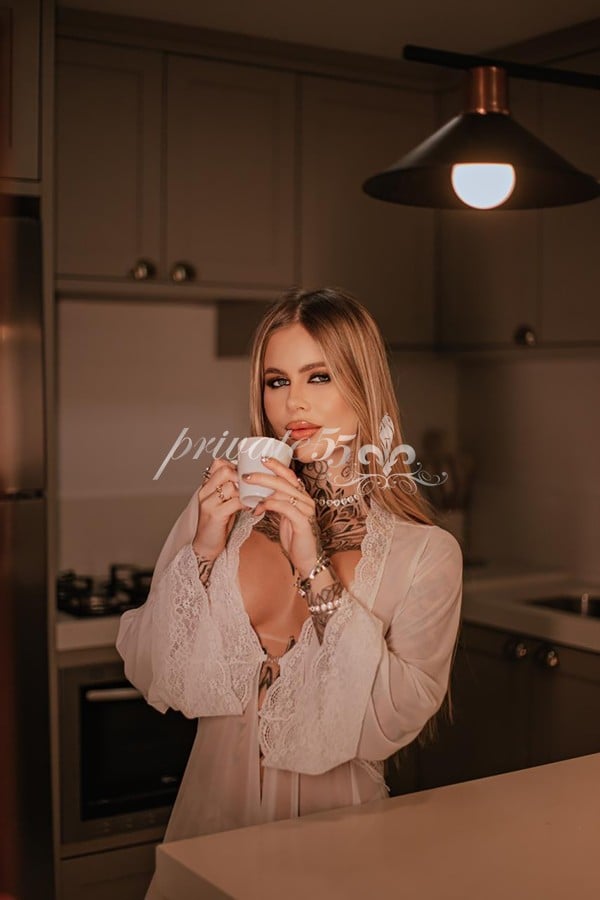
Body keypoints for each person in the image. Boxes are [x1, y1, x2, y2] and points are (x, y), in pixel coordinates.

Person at [116, 286, 463, 896]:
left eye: (318, 376)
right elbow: (153, 671)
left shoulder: (425, 553)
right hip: (208, 821)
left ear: (364, 384)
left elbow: (396, 716)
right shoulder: (218, 516)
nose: (293, 402)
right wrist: (204, 549)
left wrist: (312, 564)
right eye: (276, 381)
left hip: (338, 835)